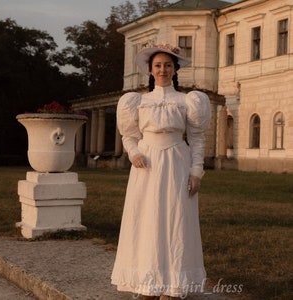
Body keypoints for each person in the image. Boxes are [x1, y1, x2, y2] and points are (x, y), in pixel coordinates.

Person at [111, 43, 211, 300]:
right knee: (146, 221)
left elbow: (197, 138)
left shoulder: (187, 101)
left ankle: (172, 285)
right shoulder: (139, 101)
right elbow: (130, 136)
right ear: (150, 69)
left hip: (177, 161)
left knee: (176, 220)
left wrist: (196, 171)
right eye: (158, 65)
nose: (163, 70)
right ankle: (148, 282)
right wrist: (133, 153)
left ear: (175, 69)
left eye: (168, 65)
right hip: (147, 165)